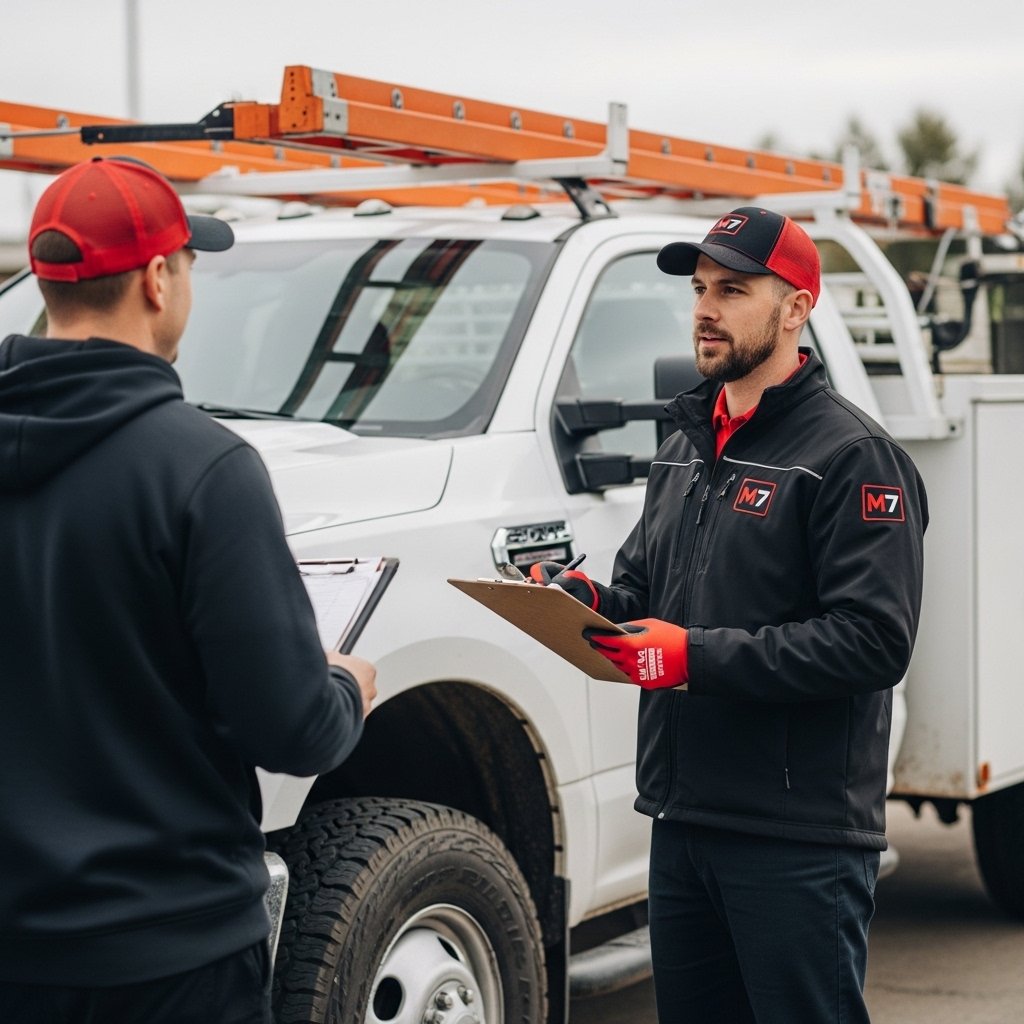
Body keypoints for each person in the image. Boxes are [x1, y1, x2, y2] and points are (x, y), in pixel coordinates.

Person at [0, 157, 377, 1024]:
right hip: (167, 956)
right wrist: (345, 688)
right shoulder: (203, 469)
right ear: (159, 280)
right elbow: (290, 727)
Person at [531, 207, 928, 1022]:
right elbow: (647, 593)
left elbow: (873, 642)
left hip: (796, 839)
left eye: (734, 290)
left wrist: (692, 658)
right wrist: (587, 602)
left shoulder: (852, 457)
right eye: (701, 289)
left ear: (795, 309)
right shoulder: (684, 443)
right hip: (682, 821)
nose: (706, 308)